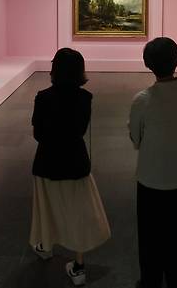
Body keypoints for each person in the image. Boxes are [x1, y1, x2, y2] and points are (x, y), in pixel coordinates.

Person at [29, 47, 111, 286]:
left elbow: (38, 134)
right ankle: (79, 266)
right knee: (79, 212)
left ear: (55, 69)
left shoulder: (43, 97)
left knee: (46, 206)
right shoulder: (85, 97)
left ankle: (45, 245)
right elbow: (80, 130)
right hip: (76, 160)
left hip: (47, 161)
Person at [128, 37, 177, 288]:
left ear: (148, 64)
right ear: (176, 59)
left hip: (153, 179)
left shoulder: (143, 99)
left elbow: (136, 138)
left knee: (151, 235)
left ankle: (151, 279)